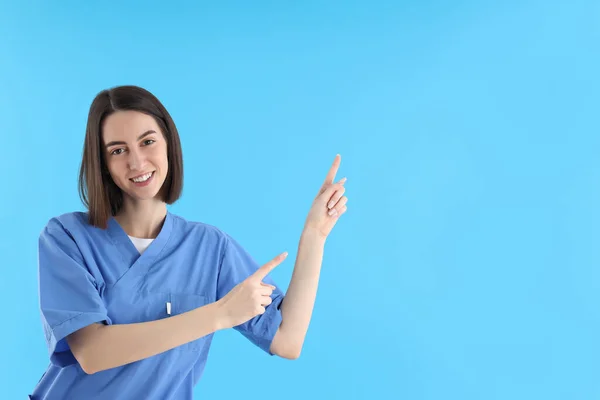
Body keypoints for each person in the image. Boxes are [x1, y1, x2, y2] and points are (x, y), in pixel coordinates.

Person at [29, 85, 348, 399]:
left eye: (147, 142)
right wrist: (220, 314)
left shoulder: (210, 249)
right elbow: (92, 352)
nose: (137, 162)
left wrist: (315, 235)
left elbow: (286, 339)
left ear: (169, 144)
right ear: (103, 163)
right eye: (118, 150)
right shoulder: (67, 237)